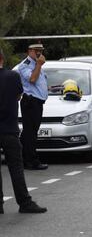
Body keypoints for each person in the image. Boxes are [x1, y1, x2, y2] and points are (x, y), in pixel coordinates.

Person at [0, 48, 47, 213]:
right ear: (2, 59)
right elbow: (20, 95)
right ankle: (24, 202)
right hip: (8, 128)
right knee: (16, 167)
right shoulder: (12, 76)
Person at [18, 44, 48, 170]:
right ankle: (31, 161)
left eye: (41, 51)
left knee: (29, 133)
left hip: (37, 102)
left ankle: (24, 158)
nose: (39, 54)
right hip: (30, 102)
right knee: (30, 133)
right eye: (37, 51)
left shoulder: (36, 65)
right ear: (30, 51)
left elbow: (39, 82)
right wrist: (39, 65)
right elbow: (32, 79)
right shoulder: (25, 65)